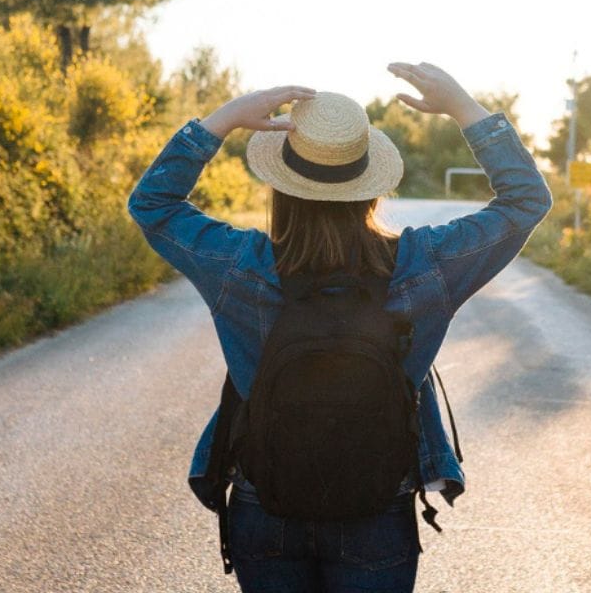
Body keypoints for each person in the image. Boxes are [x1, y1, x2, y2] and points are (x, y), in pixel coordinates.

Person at [127, 61, 552, 592]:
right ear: (371, 186)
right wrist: (463, 107)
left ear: (281, 185)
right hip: (376, 505)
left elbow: (153, 205)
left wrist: (226, 117)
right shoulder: (425, 265)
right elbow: (526, 201)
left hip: (266, 502)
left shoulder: (241, 266)